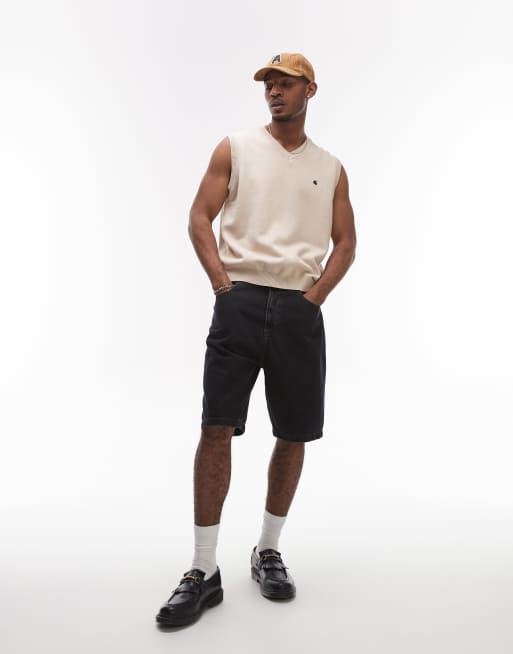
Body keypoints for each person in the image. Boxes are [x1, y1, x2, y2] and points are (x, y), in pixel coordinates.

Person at [155, 52, 356, 627]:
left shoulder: (331, 167)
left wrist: (313, 299)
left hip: (298, 309)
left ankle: (267, 550)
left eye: (286, 83)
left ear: (310, 90)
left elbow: (345, 241)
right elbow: (199, 216)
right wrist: (223, 285)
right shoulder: (235, 148)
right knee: (216, 427)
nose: (274, 92)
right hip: (238, 303)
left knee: (293, 433)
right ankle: (203, 569)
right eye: (269, 84)